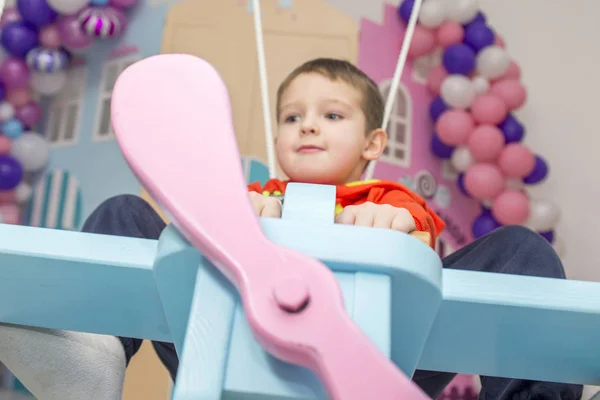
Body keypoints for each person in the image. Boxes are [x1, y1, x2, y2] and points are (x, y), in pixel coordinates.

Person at [0, 58, 582, 400]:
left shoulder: (390, 197)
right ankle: (89, 363)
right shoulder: (249, 197)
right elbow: (191, 248)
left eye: (332, 115)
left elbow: (419, 244)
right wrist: (223, 223)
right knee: (124, 214)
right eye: (292, 117)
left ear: (373, 144)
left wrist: (396, 231)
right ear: (277, 138)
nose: (308, 127)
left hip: (384, 353)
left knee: (519, 249)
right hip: (225, 334)